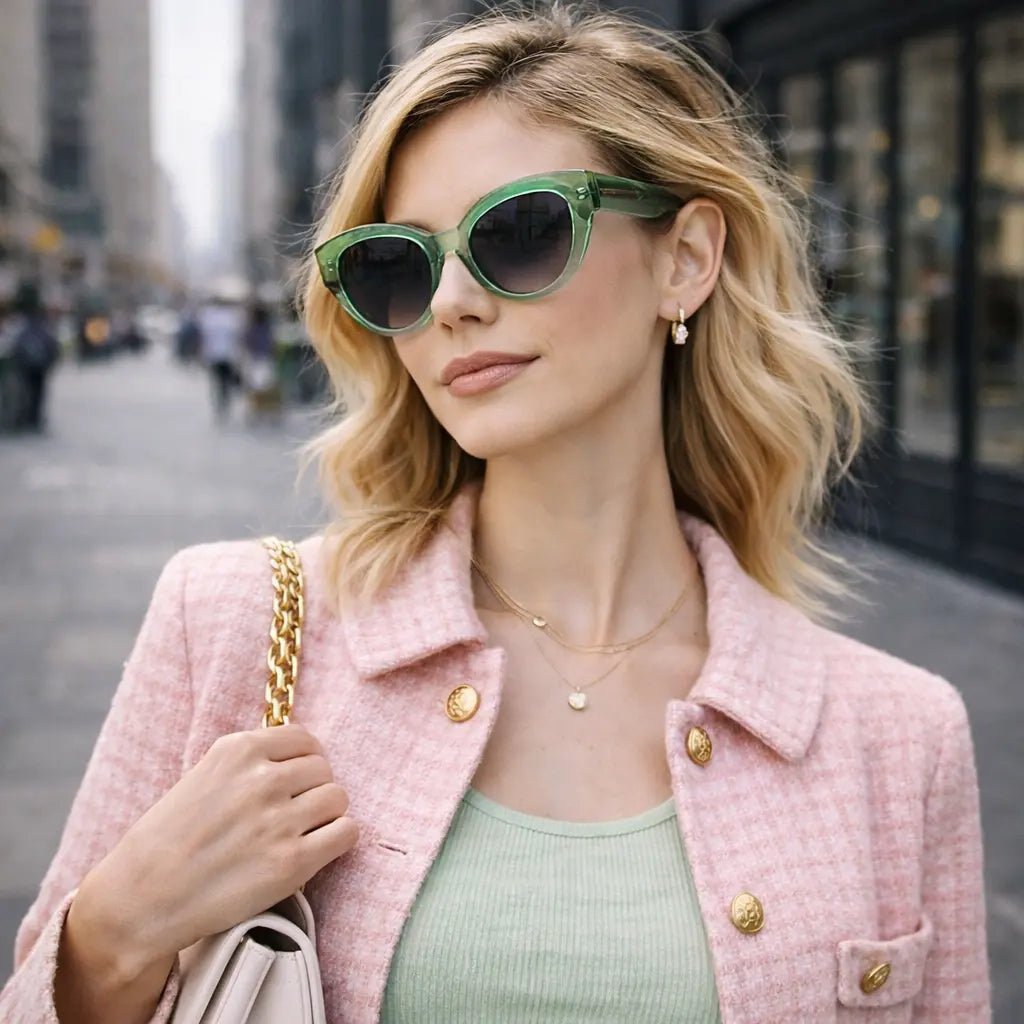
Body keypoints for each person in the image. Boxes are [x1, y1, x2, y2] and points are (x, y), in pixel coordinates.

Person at [0, 8, 990, 1024]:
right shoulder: (237, 624)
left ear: (685, 258)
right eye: (399, 264)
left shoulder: (895, 736)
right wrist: (113, 932)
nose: (452, 302)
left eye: (519, 233)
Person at [4, 281, 61, 432]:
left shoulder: (19, 318)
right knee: (37, 391)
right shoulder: (40, 318)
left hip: (25, 361)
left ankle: (25, 418)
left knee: (26, 390)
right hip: (40, 362)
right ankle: (33, 418)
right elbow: (51, 341)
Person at [197, 295, 243, 421]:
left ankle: (219, 403)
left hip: (213, 355)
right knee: (225, 381)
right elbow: (237, 337)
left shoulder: (208, 317)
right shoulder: (231, 317)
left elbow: (204, 337)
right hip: (228, 355)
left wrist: (202, 353)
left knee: (216, 381)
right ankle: (225, 401)